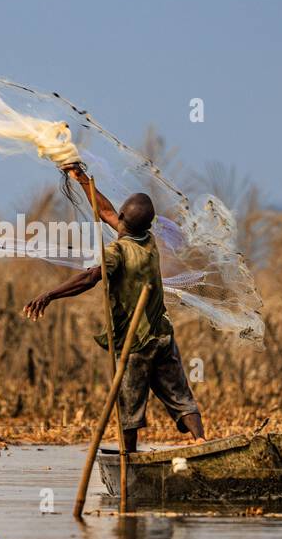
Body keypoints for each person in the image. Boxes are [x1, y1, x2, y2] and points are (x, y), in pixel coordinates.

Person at [21, 165, 206, 451]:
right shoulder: (149, 241)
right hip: (162, 335)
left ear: (123, 220)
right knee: (180, 395)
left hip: (136, 343)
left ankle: (128, 459)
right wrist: (81, 179)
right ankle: (200, 440)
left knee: (129, 404)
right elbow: (105, 212)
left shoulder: (116, 252)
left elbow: (88, 278)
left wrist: (49, 295)